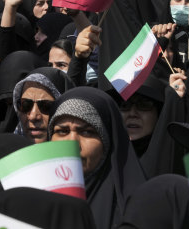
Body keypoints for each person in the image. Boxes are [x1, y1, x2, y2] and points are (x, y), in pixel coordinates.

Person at [47, 87, 146, 229]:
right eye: (62, 131)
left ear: (108, 142)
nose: (72, 143)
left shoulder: (134, 213)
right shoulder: (29, 201)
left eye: (87, 132)